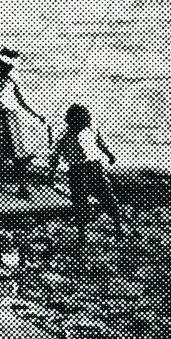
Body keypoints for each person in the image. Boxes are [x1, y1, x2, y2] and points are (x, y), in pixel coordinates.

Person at [47, 103, 125, 248]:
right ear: (71, 120)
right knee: (80, 203)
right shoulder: (64, 135)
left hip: (95, 168)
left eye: (85, 118)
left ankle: (118, 228)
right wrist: (51, 173)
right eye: (78, 119)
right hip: (77, 170)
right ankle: (82, 234)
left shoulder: (92, 130)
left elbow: (101, 144)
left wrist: (110, 155)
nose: (83, 121)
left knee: (108, 198)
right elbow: (55, 155)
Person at [0, 47, 46, 196]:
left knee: (17, 153)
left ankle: (22, 186)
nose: (8, 69)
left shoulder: (12, 80)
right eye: (5, 66)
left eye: (10, 67)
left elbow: (22, 100)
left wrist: (37, 114)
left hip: (11, 117)